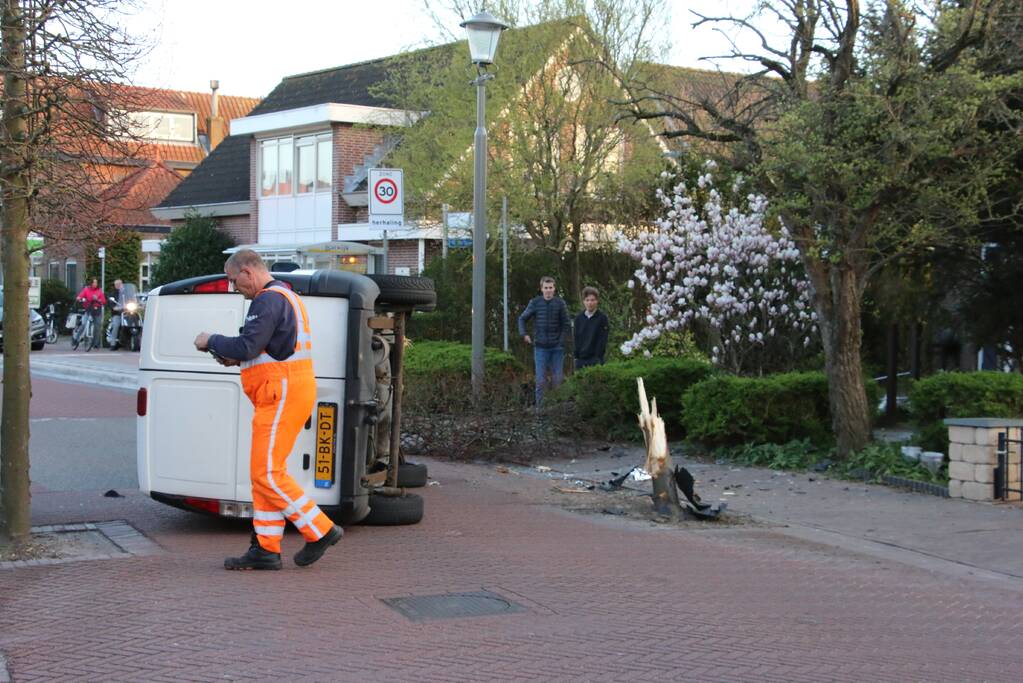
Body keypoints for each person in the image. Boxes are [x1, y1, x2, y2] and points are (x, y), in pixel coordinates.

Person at [193, 249, 343, 570]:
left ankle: (320, 529)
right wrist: (237, 355)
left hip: (281, 393)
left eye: (235, 281)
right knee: (264, 474)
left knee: (266, 474)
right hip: (284, 392)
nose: (235, 288)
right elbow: (263, 348)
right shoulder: (284, 297)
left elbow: (248, 345)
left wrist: (211, 340)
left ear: (248, 272)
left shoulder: (267, 300)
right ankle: (265, 548)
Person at [518, 275, 570, 407]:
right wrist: (524, 334)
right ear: (541, 289)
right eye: (546, 288)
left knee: (557, 380)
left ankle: (557, 410)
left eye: (550, 288)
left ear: (554, 289)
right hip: (540, 348)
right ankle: (540, 412)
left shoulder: (560, 303)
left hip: (557, 348)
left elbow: (566, 324)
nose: (548, 290)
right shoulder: (535, 303)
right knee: (540, 381)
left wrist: (561, 341)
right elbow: (522, 319)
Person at [573, 286, 609, 369]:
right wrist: (576, 356)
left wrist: (598, 357)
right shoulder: (578, 318)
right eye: (587, 300)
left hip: (596, 360)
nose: (590, 303)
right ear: (583, 301)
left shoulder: (602, 318)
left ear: (597, 301)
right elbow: (576, 338)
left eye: (592, 300)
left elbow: (603, 340)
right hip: (580, 360)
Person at [74, 277, 106, 350]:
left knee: (97, 326)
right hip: (88, 309)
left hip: (97, 309)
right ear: (91, 283)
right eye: (94, 282)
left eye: (96, 282)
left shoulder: (99, 291)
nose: (95, 284)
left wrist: (98, 299)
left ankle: (96, 344)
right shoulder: (86, 289)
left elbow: (104, 301)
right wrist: (79, 298)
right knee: (84, 324)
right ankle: (76, 338)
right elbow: (81, 295)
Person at [107, 279, 126, 350]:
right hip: (118, 314)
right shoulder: (113, 294)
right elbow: (111, 303)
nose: (119, 286)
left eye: (120, 284)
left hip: (128, 313)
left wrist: (138, 304)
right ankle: (113, 344)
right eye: (117, 284)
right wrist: (115, 307)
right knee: (116, 325)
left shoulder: (126, 293)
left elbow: (133, 299)